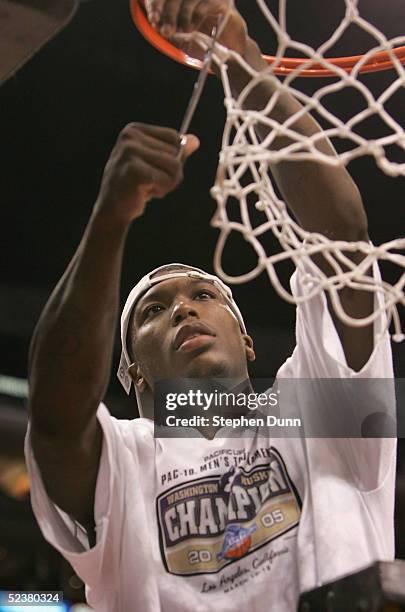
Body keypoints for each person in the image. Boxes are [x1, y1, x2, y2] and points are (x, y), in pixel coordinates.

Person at [24, 1, 396, 610]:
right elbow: (59, 418)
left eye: (204, 295)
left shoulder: (317, 406)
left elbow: (343, 243)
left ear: (248, 342)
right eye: (152, 309)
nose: (183, 311)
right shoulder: (126, 459)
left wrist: (243, 58)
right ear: (132, 373)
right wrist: (109, 219)